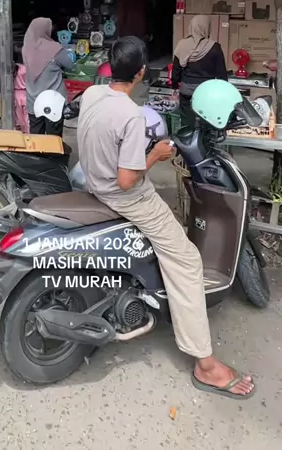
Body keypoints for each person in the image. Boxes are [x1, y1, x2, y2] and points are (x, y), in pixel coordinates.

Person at [77, 36, 254, 399]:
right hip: (125, 196)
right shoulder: (130, 114)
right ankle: (205, 364)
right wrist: (155, 155)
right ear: (141, 72)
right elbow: (127, 180)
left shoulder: (93, 94)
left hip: (93, 183)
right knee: (187, 260)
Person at [172, 15, 228, 128]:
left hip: (187, 90)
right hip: (206, 92)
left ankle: (188, 136)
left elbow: (176, 70)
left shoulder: (182, 45)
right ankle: (204, 137)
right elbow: (221, 74)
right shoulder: (214, 47)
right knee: (206, 121)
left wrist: (174, 86)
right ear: (207, 27)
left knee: (187, 122)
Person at [22, 17, 74, 136]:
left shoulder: (26, 49)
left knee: (36, 138)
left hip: (33, 101)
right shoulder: (55, 49)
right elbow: (70, 65)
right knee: (53, 140)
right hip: (54, 103)